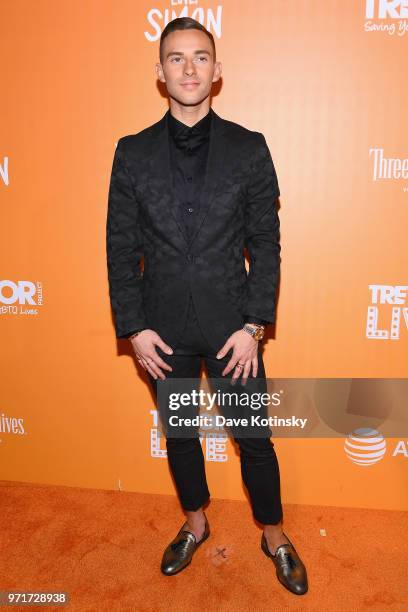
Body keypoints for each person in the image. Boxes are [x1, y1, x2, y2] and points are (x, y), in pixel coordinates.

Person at [106, 17, 308, 595]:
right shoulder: (132, 152)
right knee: (180, 435)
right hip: (161, 331)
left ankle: (273, 533)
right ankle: (195, 522)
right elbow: (120, 246)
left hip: (232, 330)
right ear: (159, 72)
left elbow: (265, 242)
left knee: (253, 438)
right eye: (176, 58)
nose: (189, 68)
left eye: (200, 58)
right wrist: (134, 327)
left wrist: (253, 325)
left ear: (217, 73)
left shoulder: (250, 148)